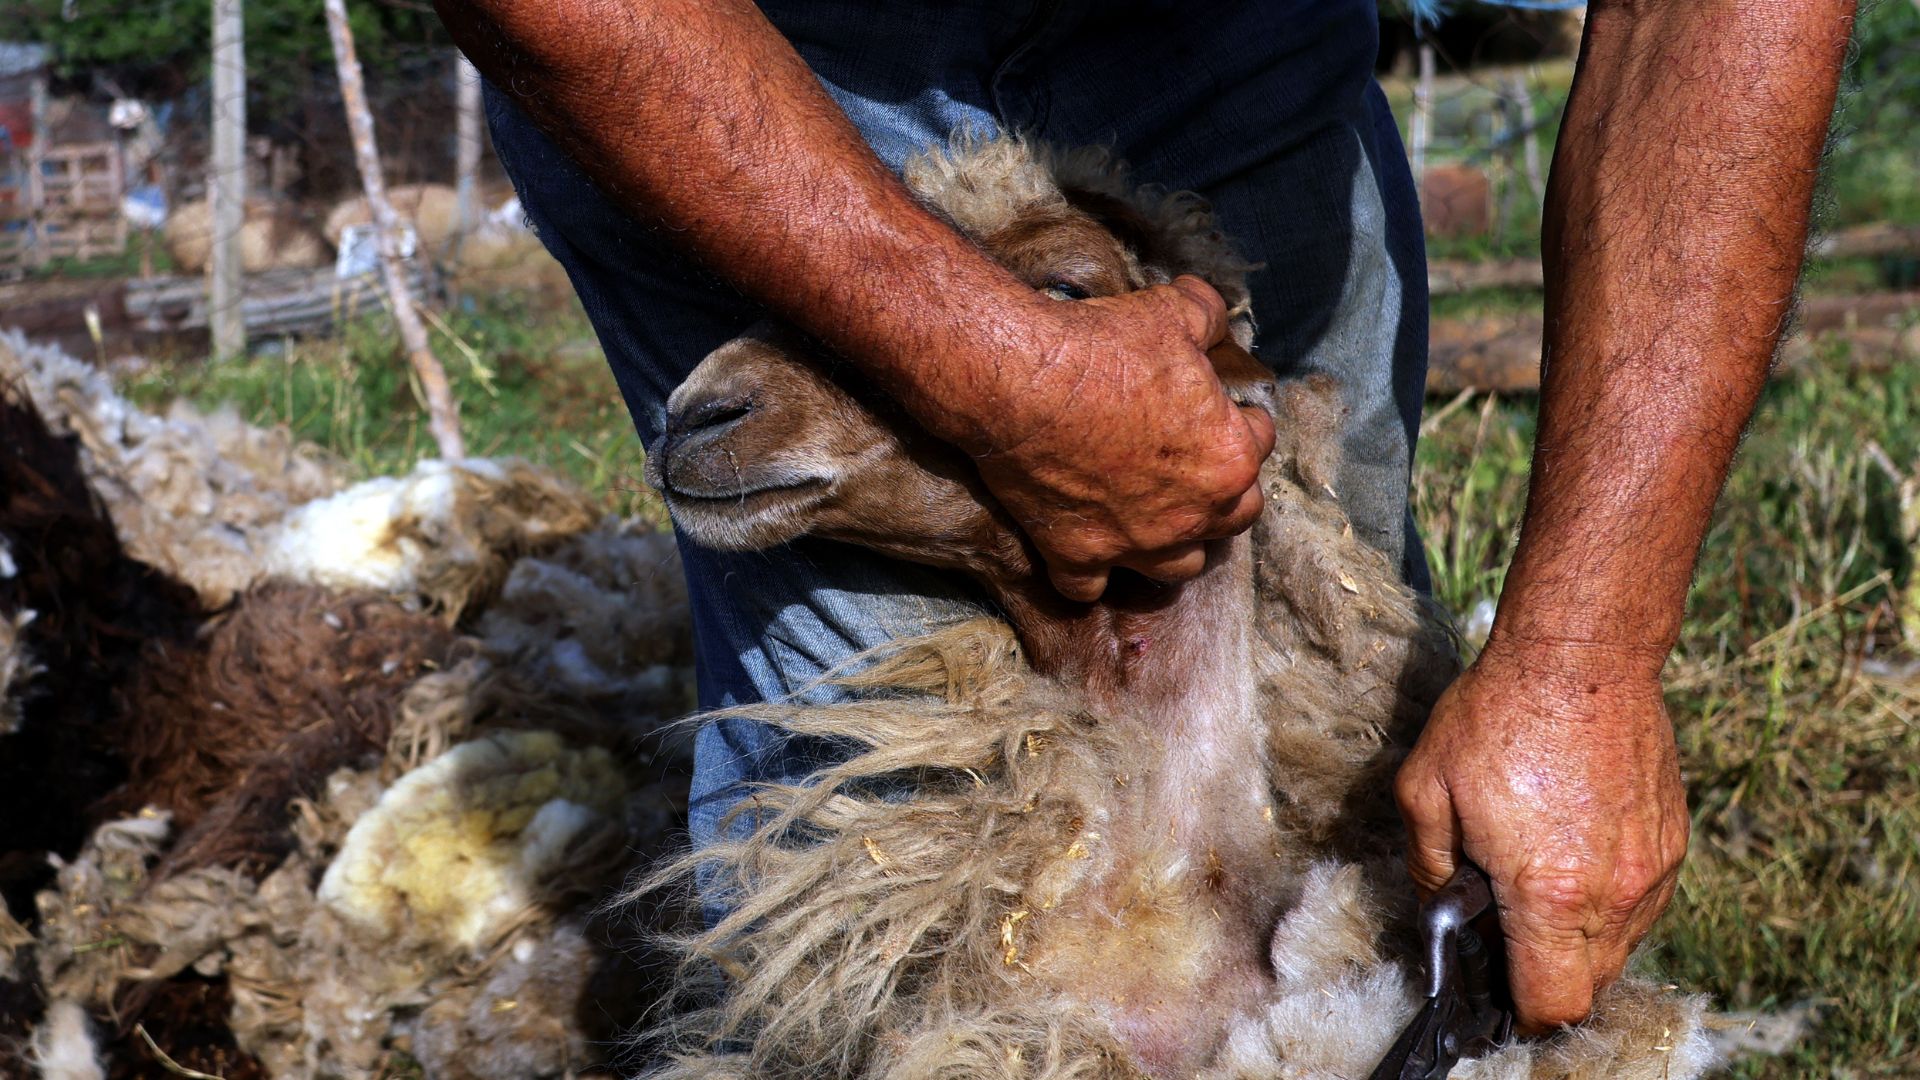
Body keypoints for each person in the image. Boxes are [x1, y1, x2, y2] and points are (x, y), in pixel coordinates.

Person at [432, 0, 1855, 1034]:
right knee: (880, 887)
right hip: (725, 65)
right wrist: (989, 372)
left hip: (1224, 46)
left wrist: (1583, 663)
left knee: (1339, 772)